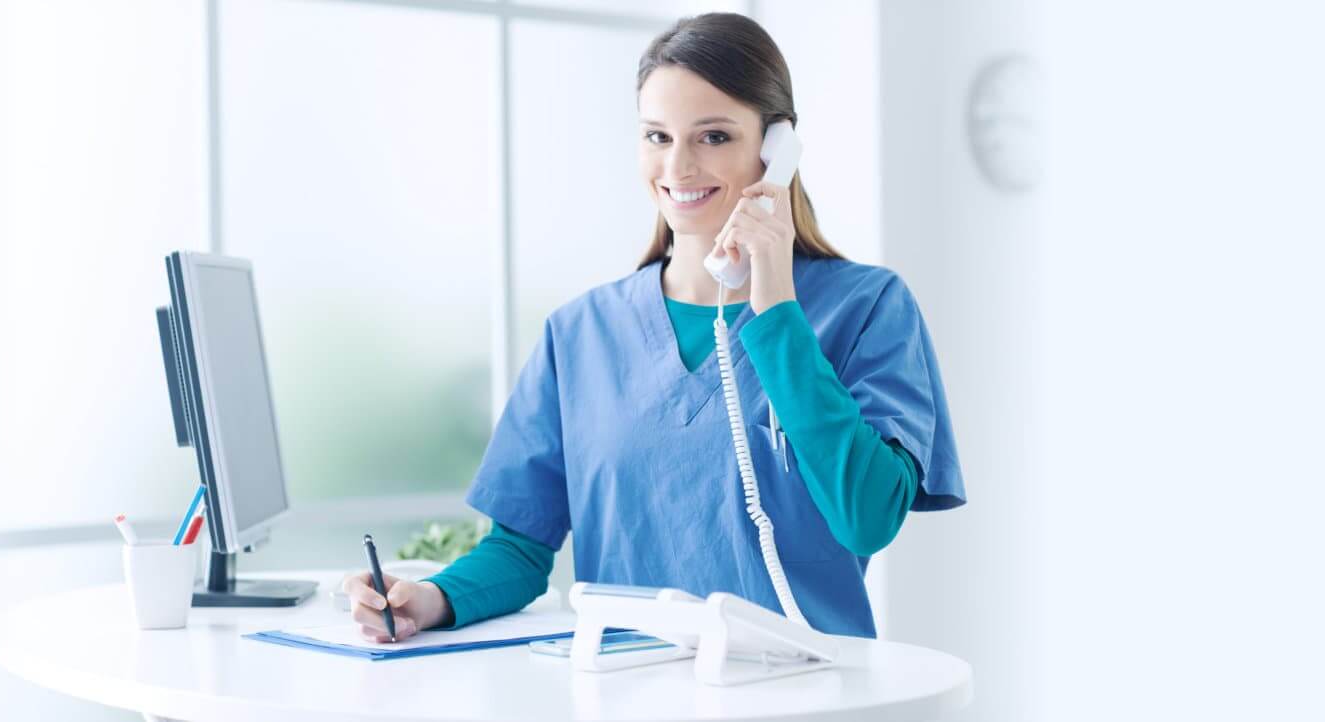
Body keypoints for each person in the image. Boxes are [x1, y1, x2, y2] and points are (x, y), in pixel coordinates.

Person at [341, 11, 965, 642]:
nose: (680, 167)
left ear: (776, 148)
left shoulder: (868, 308)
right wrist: (431, 598)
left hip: (807, 699)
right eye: (657, 137)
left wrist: (776, 308)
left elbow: (867, 517)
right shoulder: (579, 334)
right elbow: (523, 549)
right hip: (626, 690)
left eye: (714, 136)